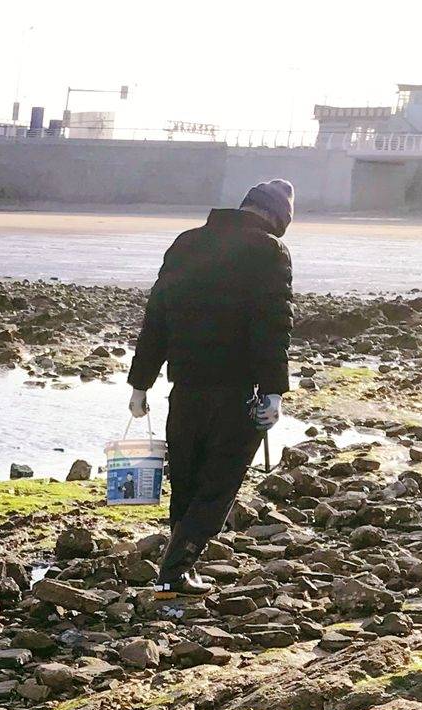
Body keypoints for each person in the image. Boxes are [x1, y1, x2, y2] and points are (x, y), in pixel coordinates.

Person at [127, 178, 294, 594]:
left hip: (184, 387)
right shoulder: (269, 252)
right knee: (219, 482)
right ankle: (177, 567)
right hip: (236, 389)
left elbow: (157, 316)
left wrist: (140, 383)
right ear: (277, 218)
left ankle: (177, 562)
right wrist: (273, 391)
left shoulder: (186, 243)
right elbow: (273, 326)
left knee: (186, 477)